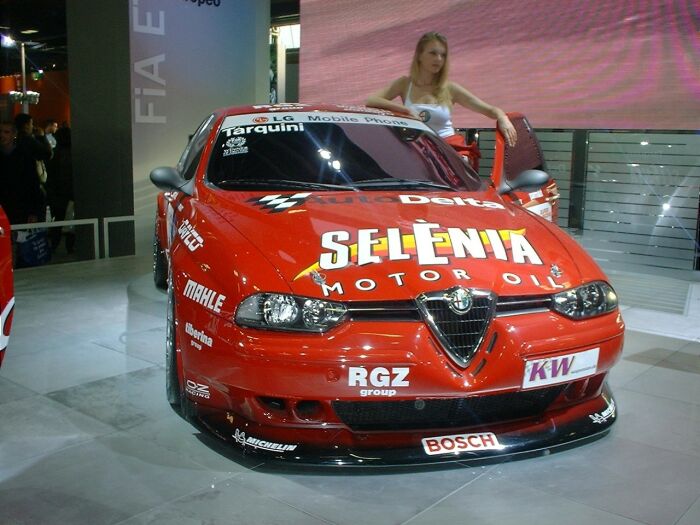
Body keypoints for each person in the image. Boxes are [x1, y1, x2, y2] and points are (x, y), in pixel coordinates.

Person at [366, 31, 517, 150]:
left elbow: (489, 110)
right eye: (433, 53)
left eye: (442, 55)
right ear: (419, 55)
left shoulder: (450, 88)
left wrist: (502, 117)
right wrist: (405, 110)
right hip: (417, 150)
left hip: (448, 150)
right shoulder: (404, 84)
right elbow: (371, 101)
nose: (438, 59)